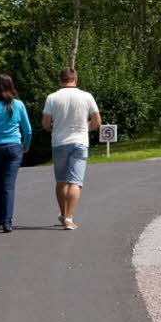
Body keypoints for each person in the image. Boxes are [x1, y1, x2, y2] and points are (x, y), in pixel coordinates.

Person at [42, 67, 100, 231]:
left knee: (61, 181)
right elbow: (97, 121)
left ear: (60, 80)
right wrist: (85, 128)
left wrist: (55, 126)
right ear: (76, 79)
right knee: (75, 181)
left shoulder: (52, 98)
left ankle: (62, 214)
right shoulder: (86, 96)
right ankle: (69, 217)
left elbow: (46, 124)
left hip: (59, 142)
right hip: (80, 142)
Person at [0, 74, 32, 233]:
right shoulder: (19, 104)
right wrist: (26, 145)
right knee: (9, 185)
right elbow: (28, 130)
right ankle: (7, 222)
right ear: (11, 87)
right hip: (14, 147)